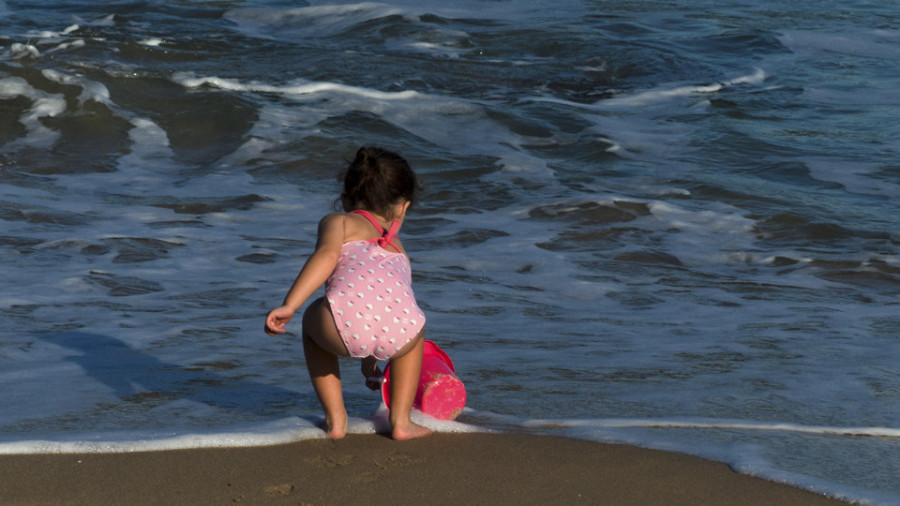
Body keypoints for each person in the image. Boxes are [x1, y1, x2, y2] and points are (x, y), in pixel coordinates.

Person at [265, 146, 432, 441]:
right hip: (397, 330)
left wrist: (291, 304)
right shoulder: (399, 248)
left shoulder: (338, 222)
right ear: (403, 207)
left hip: (343, 325)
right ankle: (401, 421)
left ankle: (336, 419)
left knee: (311, 320)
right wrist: (374, 354)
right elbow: (388, 303)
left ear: (344, 200)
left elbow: (327, 256)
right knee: (415, 331)